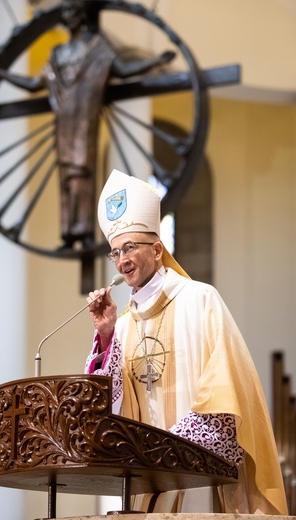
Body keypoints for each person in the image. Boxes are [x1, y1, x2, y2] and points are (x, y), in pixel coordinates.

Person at [85, 168, 287, 515]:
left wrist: (168, 448)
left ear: (158, 248)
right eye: (115, 252)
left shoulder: (200, 300)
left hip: (197, 477)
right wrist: (105, 337)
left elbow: (226, 395)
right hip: (145, 484)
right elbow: (103, 410)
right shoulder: (120, 326)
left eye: (130, 247)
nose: (122, 261)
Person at [0, 0, 174, 249]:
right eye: (66, 11)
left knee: (80, 175)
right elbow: (33, 84)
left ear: (83, 16)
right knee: (67, 179)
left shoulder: (98, 49)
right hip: (64, 125)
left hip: (84, 124)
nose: (68, 16)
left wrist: (155, 62)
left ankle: (82, 231)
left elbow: (123, 69)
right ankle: (69, 233)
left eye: (73, 11)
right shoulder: (58, 54)